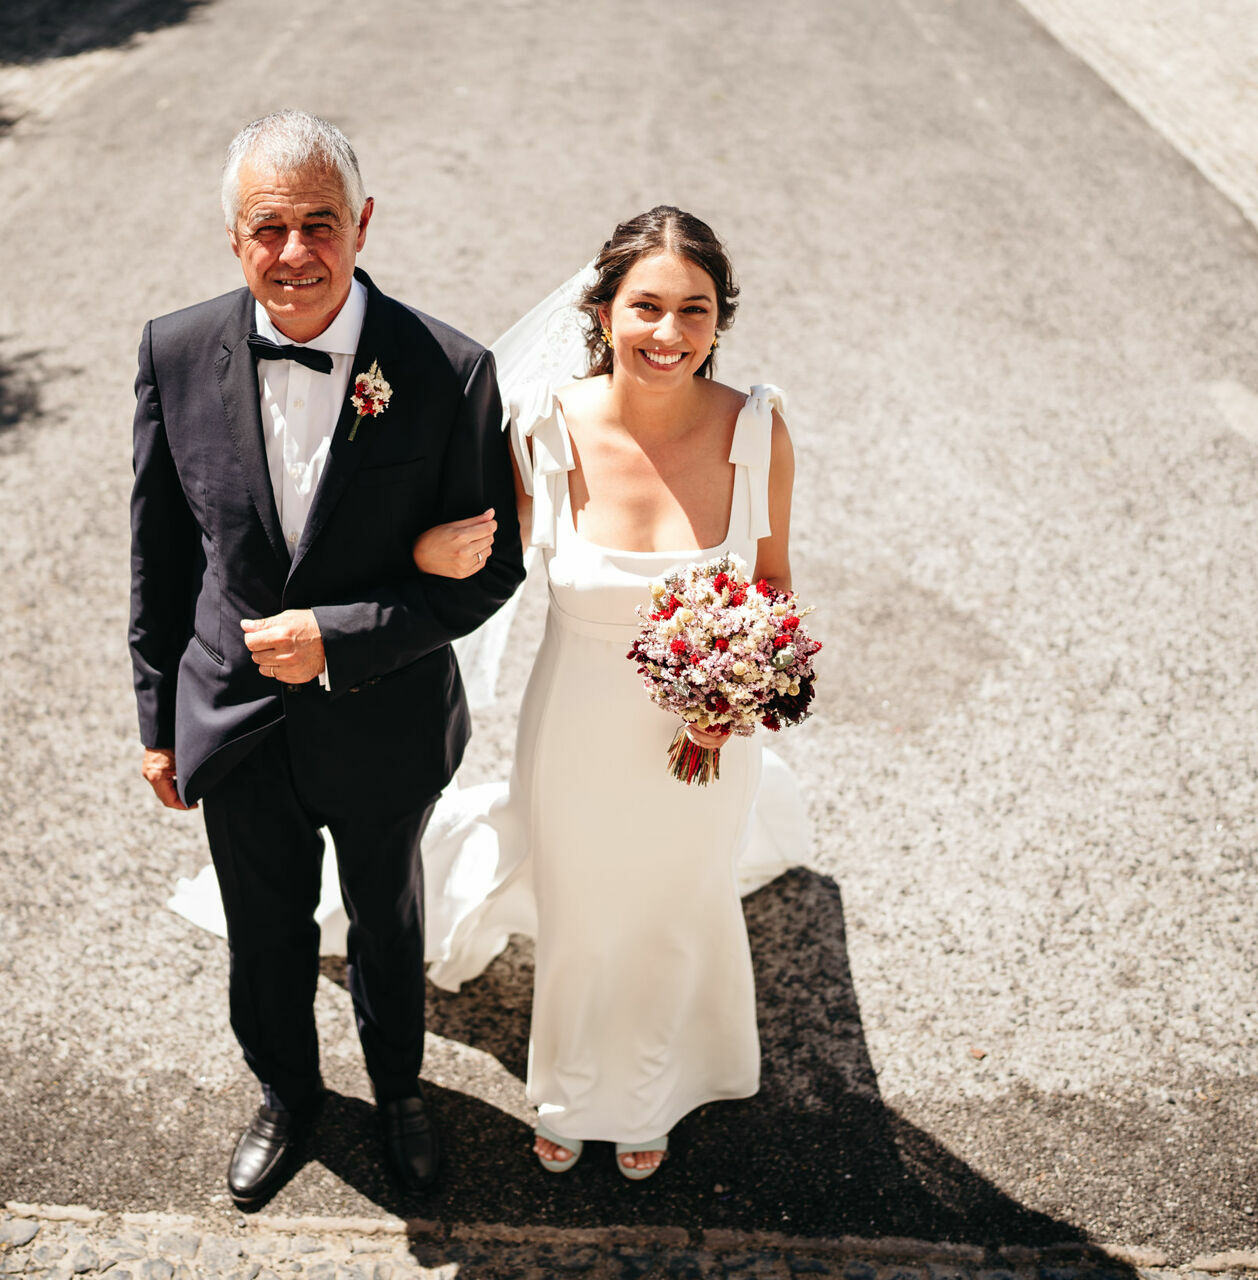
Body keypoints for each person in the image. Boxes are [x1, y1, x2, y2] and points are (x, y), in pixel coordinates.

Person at [128, 110, 524, 1209]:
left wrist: (341, 637)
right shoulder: (174, 349)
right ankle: (288, 1094)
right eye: (268, 228)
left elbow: (492, 573)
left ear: (364, 223)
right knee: (262, 933)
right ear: (232, 235)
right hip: (234, 718)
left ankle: (400, 1089)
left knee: (389, 922)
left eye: (320, 223)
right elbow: (159, 551)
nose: (294, 253)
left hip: (383, 717)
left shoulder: (447, 370)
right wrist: (157, 715)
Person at [410, 206, 799, 1179]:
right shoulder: (546, 428)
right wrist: (419, 553)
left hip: (706, 729)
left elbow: (776, 581)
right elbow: (477, 561)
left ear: (719, 320)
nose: (669, 334)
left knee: (671, 902)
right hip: (576, 724)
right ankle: (569, 1088)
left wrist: (747, 685)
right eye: (648, 307)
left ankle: (653, 1091)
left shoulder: (756, 430)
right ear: (604, 309)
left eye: (694, 311)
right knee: (583, 907)